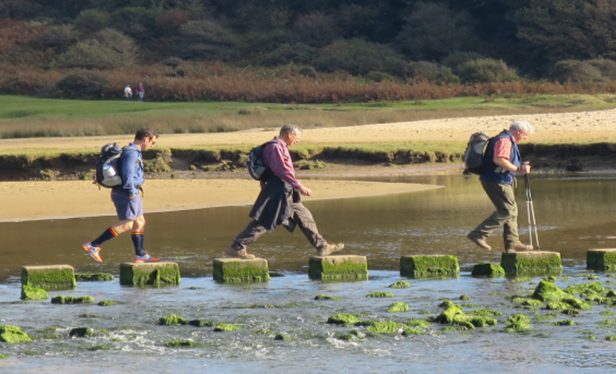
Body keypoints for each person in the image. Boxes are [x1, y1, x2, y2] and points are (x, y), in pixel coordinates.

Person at [225, 124, 345, 259]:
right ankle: (237, 247)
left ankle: (322, 246)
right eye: (298, 137)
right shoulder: (275, 147)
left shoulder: (280, 147)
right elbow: (281, 170)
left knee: (304, 216)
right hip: (278, 190)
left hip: (285, 189)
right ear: (289, 134)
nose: (298, 140)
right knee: (265, 221)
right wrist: (299, 186)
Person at [82, 128, 160, 263]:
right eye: (152, 142)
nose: (151, 145)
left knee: (140, 221)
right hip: (126, 192)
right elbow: (127, 174)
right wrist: (131, 192)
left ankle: (140, 255)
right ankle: (93, 245)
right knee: (127, 224)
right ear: (146, 139)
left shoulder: (132, 151)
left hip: (131, 191)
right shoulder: (131, 153)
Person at [467, 120, 535, 253]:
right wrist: (518, 169)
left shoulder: (507, 139)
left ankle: (513, 244)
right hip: (496, 180)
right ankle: (479, 234)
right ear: (519, 132)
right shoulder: (504, 140)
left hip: (501, 179)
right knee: (507, 211)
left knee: (512, 211)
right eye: (525, 135)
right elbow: (499, 159)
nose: (525, 138)